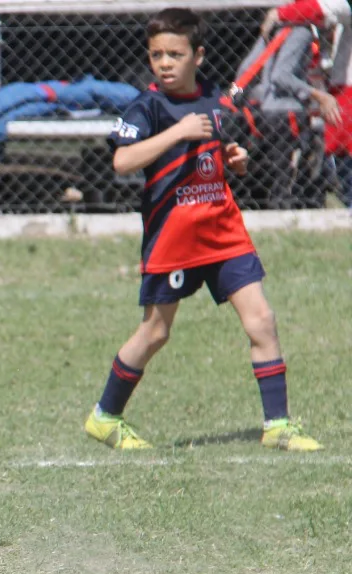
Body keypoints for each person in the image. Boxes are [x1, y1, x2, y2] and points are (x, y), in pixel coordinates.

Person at [84, 8, 321, 452]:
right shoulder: (148, 106)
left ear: (199, 55)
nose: (166, 63)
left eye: (175, 53)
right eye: (157, 55)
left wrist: (234, 161)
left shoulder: (215, 99)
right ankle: (105, 417)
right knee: (156, 332)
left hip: (222, 228)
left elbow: (212, 157)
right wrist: (177, 132)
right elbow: (122, 161)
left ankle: (278, 425)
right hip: (174, 236)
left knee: (262, 321)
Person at [234, 17, 340, 208]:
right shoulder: (303, 32)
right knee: (291, 178)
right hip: (287, 113)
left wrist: (261, 94)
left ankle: (272, 209)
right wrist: (317, 95)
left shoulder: (276, 30)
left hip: (264, 114)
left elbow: (245, 70)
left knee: (274, 176)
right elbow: (281, 76)